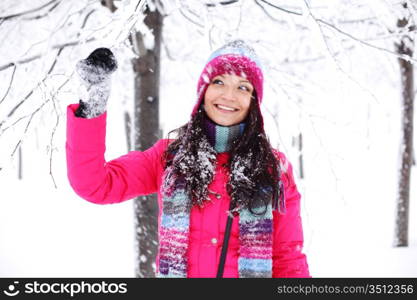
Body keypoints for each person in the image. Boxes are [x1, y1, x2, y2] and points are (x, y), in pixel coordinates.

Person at [66, 40, 310, 278]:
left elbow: (288, 260)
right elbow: (96, 184)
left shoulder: (273, 169)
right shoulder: (169, 158)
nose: (229, 95)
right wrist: (92, 108)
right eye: (219, 82)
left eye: (243, 87)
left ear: (253, 101)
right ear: (203, 91)